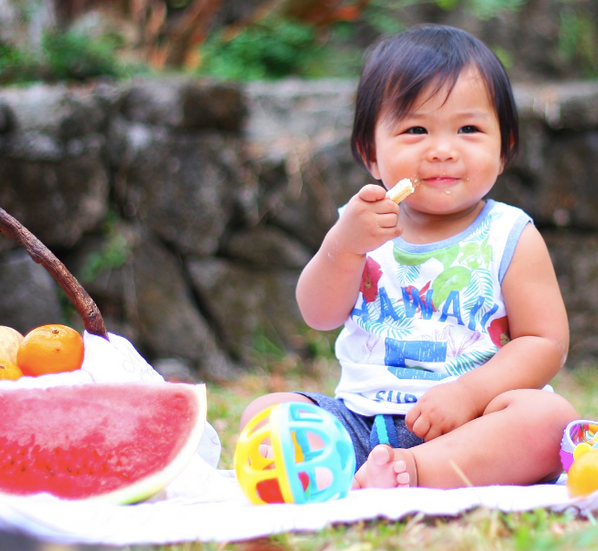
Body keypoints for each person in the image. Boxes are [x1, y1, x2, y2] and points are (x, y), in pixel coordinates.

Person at [241, 24, 576, 489]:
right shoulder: (360, 225)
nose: (442, 150)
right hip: (361, 420)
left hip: (474, 422)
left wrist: (468, 393)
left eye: (469, 129)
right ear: (370, 154)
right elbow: (318, 314)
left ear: (505, 150)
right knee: (266, 413)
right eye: (416, 129)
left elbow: (544, 342)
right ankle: (365, 468)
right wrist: (344, 245)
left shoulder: (510, 235)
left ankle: (418, 471)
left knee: (549, 418)